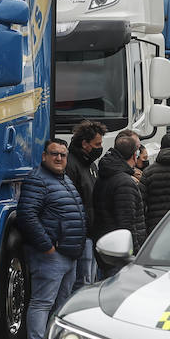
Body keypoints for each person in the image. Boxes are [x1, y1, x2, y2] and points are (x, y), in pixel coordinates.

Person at [17, 139, 87, 339]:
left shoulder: (63, 179)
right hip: (51, 256)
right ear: (44, 156)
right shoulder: (38, 180)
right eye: (54, 154)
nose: (59, 158)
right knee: (42, 303)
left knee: (61, 304)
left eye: (63, 155)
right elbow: (27, 216)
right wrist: (47, 246)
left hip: (68, 254)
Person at [92, 130, 146, 277]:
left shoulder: (105, 175)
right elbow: (127, 225)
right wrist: (135, 255)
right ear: (134, 155)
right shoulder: (124, 183)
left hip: (107, 251)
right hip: (121, 257)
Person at [65, 119, 106, 288]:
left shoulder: (91, 164)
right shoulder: (72, 165)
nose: (100, 148)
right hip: (81, 235)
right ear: (85, 144)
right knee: (82, 283)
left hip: (91, 234)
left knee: (90, 281)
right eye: (97, 144)